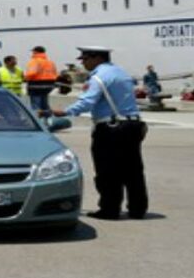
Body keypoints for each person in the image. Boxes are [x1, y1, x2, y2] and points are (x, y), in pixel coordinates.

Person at [51, 46, 148, 220]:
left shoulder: (99, 77)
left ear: (96, 58)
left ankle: (109, 209)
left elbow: (88, 101)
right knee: (133, 170)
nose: (84, 63)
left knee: (107, 170)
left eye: (85, 59)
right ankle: (137, 209)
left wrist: (65, 112)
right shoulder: (122, 73)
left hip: (111, 128)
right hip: (133, 125)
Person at [25, 46, 58, 112]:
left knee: (36, 106)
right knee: (44, 104)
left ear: (36, 52)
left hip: (36, 86)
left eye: (33, 52)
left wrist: (25, 77)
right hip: (49, 86)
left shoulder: (34, 61)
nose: (32, 53)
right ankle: (48, 119)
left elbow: (32, 73)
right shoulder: (50, 62)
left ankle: (37, 119)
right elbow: (55, 74)